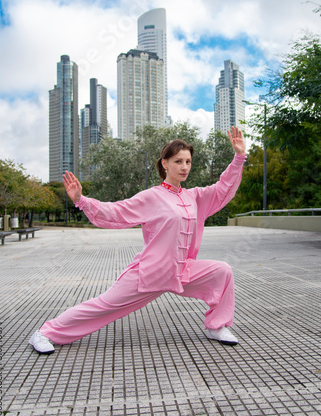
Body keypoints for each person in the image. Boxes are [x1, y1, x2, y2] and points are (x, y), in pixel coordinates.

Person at [29, 126, 246, 354]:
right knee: (105, 305)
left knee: (222, 271)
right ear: (164, 164)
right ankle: (45, 333)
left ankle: (216, 326)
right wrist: (81, 201)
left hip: (184, 271)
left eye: (188, 162)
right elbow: (116, 212)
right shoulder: (152, 196)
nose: (184, 167)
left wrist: (238, 157)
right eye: (178, 161)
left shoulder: (195, 197)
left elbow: (223, 189)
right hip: (152, 272)